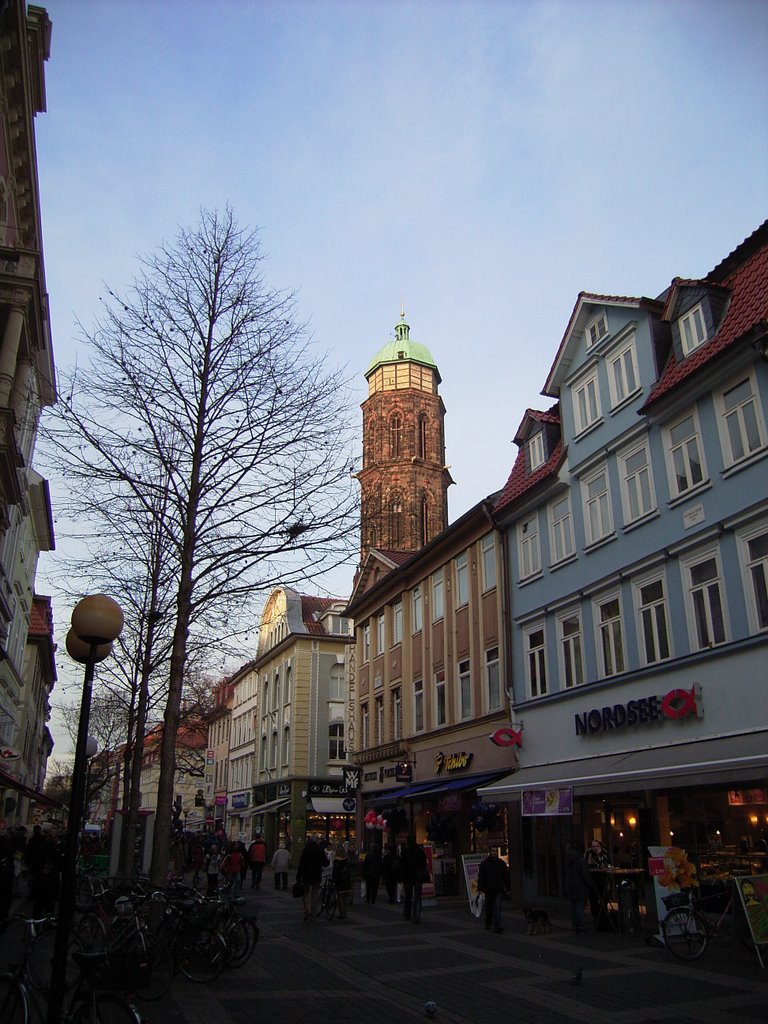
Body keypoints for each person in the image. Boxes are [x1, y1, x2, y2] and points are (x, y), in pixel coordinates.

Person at [477, 846, 510, 934]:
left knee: (497, 908)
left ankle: (497, 926)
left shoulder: (501, 864)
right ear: (490, 852)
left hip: (498, 889)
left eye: (495, 851)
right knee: (489, 909)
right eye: (493, 851)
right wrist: (480, 889)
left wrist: (508, 888)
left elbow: (506, 877)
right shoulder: (484, 864)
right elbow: (481, 877)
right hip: (488, 890)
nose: (494, 852)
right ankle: (488, 922)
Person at [565, 844, 597, 934]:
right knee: (579, 907)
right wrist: (591, 885)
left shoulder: (568, 861)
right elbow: (585, 875)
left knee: (573, 908)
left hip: (571, 887)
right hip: (580, 887)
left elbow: (566, 873)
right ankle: (581, 926)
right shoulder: (581, 861)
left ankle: (575, 926)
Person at [296, 836, 328, 922]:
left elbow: (301, 863)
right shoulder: (320, 850)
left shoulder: (306, 850)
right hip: (317, 875)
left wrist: (298, 876)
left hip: (306, 875)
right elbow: (326, 863)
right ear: (316, 842)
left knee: (305, 893)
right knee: (315, 895)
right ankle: (313, 914)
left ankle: (308, 910)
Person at [400, 834, 428, 924]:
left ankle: (407, 913)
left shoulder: (405, 851)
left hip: (408, 877)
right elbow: (424, 864)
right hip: (418, 877)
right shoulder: (420, 851)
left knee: (408, 896)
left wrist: (403, 877)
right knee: (418, 897)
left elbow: (403, 865)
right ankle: (417, 915)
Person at [584, 839, 612, 925]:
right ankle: (595, 917)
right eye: (593, 846)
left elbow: (608, 864)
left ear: (600, 846)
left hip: (602, 879)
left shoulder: (604, 853)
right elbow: (586, 864)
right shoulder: (588, 853)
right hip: (592, 879)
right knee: (593, 899)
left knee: (604, 897)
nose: (595, 848)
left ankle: (603, 915)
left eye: (596, 846)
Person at [331, 844, 353, 920]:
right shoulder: (347, 859)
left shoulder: (337, 861)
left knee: (340, 898)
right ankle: (345, 913)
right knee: (345, 898)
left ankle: (342, 913)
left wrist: (333, 880)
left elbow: (335, 872)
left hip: (340, 881)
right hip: (346, 881)